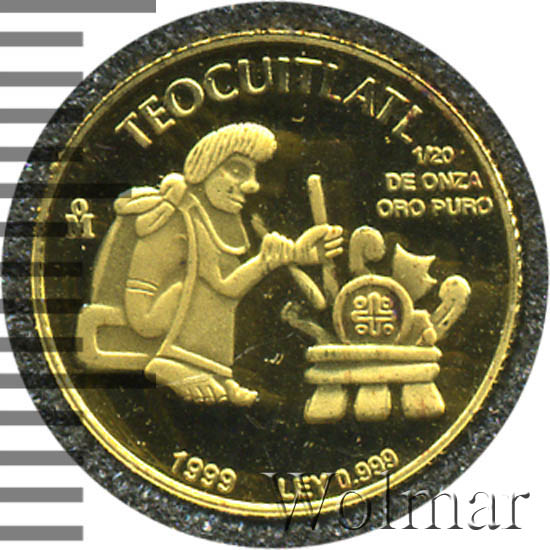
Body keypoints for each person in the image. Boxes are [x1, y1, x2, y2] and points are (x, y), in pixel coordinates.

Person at [115, 123, 343, 406]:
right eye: (237, 171)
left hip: (169, 309)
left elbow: (230, 284)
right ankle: (170, 363)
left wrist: (293, 255)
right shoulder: (185, 214)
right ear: (206, 167)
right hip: (147, 318)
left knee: (214, 296)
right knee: (204, 292)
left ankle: (218, 373)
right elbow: (223, 286)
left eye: (253, 174)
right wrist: (267, 261)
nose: (253, 185)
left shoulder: (213, 216)